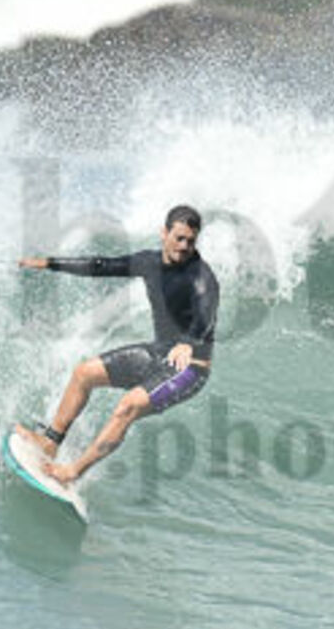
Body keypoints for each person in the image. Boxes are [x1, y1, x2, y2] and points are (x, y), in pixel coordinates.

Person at [15, 204, 219, 485]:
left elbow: (206, 313)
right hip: (158, 353)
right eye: (179, 238)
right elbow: (101, 266)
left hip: (189, 368)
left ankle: (73, 472)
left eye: (190, 241)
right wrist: (51, 263)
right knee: (84, 373)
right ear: (164, 233)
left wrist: (189, 342)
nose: (184, 246)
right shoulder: (149, 262)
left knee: (127, 407)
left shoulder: (202, 277)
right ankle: (50, 442)